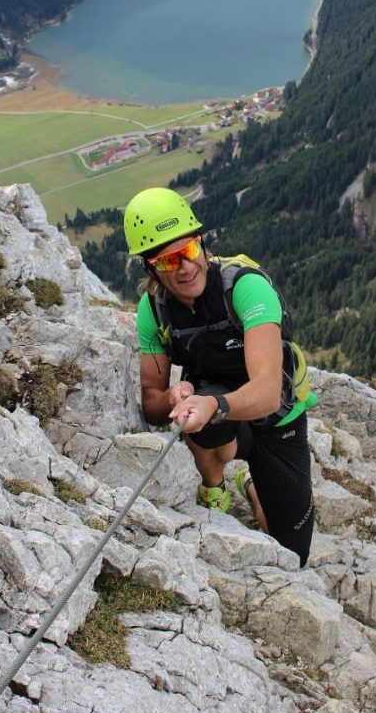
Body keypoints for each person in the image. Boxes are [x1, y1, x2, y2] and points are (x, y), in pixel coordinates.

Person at [124, 186, 317, 567]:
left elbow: (267, 392)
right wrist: (173, 399)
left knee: (293, 553)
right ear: (151, 269)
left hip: (279, 418)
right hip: (218, 411)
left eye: (190, 250)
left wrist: (213, 404)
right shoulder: (153, 310)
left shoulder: (244, 287)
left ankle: (253, 487)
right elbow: (151, 400)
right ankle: (214, 488)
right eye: (168, 261)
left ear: (202, 243)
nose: (185, 267)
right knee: (199, 423)